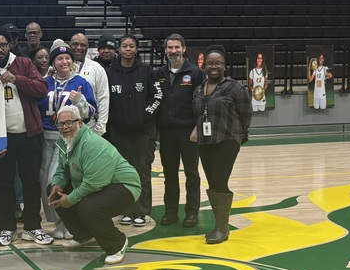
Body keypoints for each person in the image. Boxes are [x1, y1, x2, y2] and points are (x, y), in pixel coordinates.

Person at [0, 26, 48, 247]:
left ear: (10, 46)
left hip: (29, 135)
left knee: (31, 183)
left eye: (3, 45)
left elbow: (41, 89)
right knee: (2, 184)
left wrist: (16, 79)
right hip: (2, 141)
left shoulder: (24, 64)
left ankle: (33, 226)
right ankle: (7, 228)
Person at [49, 106, 141, 266]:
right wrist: (57, 184)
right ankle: (84, 235)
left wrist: (70, 199)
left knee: (89, 208)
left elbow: (95, 182)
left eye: (69, 123)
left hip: (123, 187)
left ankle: (117, 243)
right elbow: (61, 169)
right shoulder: (64, 142)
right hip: (96, 184)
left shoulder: (92, 144)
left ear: (79, 122)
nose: (64, 128)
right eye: (61, 124)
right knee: (56, 192)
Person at [191, 46, 252, 245]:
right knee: (212, 182)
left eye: (218, 63)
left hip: (227, 139)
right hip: (205, 141)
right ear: (204, 66)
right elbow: (199, 113)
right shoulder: (199, 88)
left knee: (220, 181)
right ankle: (218, 224)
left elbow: (246, 113)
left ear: (224, 66)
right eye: (210, 63)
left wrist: (240, 133)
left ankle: (222, 228)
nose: (213, 66)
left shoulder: (235, 87)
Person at [37, 42, 96, 241]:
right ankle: (57, 220)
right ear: (53, 62)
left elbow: (90, 113)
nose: (64, 61)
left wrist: (79, 100)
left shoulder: (81, 82)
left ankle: (68, 220)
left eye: (68, 58)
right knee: (45, 180)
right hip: (45, 137)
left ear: (72, 61)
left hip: (69, 139)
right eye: (60, 58)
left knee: (61, 179)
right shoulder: (44, 82)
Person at [148, 33, 204, 227]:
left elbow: (202, 103)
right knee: (169, 174)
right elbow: (154, 102)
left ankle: (192, 213)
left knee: (192, 174)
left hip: (189, 132)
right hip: (166, 133)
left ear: (184, 48)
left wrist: (197, 128)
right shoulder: (158, 73)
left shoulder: (195, 73)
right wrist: (156, 129)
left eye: (177, 47)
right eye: (170, 48)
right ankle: (171, 212)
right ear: (165, 50)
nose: (173, 51)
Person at [106, 35, 156, 227]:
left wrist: (144, 116)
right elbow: (106, 101)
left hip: (143, 132)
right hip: (119, 132)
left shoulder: (147, 71)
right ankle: (125, 210)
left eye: (131, 46)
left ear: (136, 50)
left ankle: (141, 212)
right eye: (124, 46)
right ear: (119, 49)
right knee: (122, 173)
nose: (128, 49)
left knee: (142, 172)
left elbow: (156, 97)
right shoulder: (111, 73)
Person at [68, 32, 109, 135]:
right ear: (69, 45)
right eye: (75, 44)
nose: (78, 48)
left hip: (89, 126)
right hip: (65, 126)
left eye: (83, 45)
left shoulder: (97, 69)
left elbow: (103, 98)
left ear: (88, 47)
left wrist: (99, 128)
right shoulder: (59, 67)